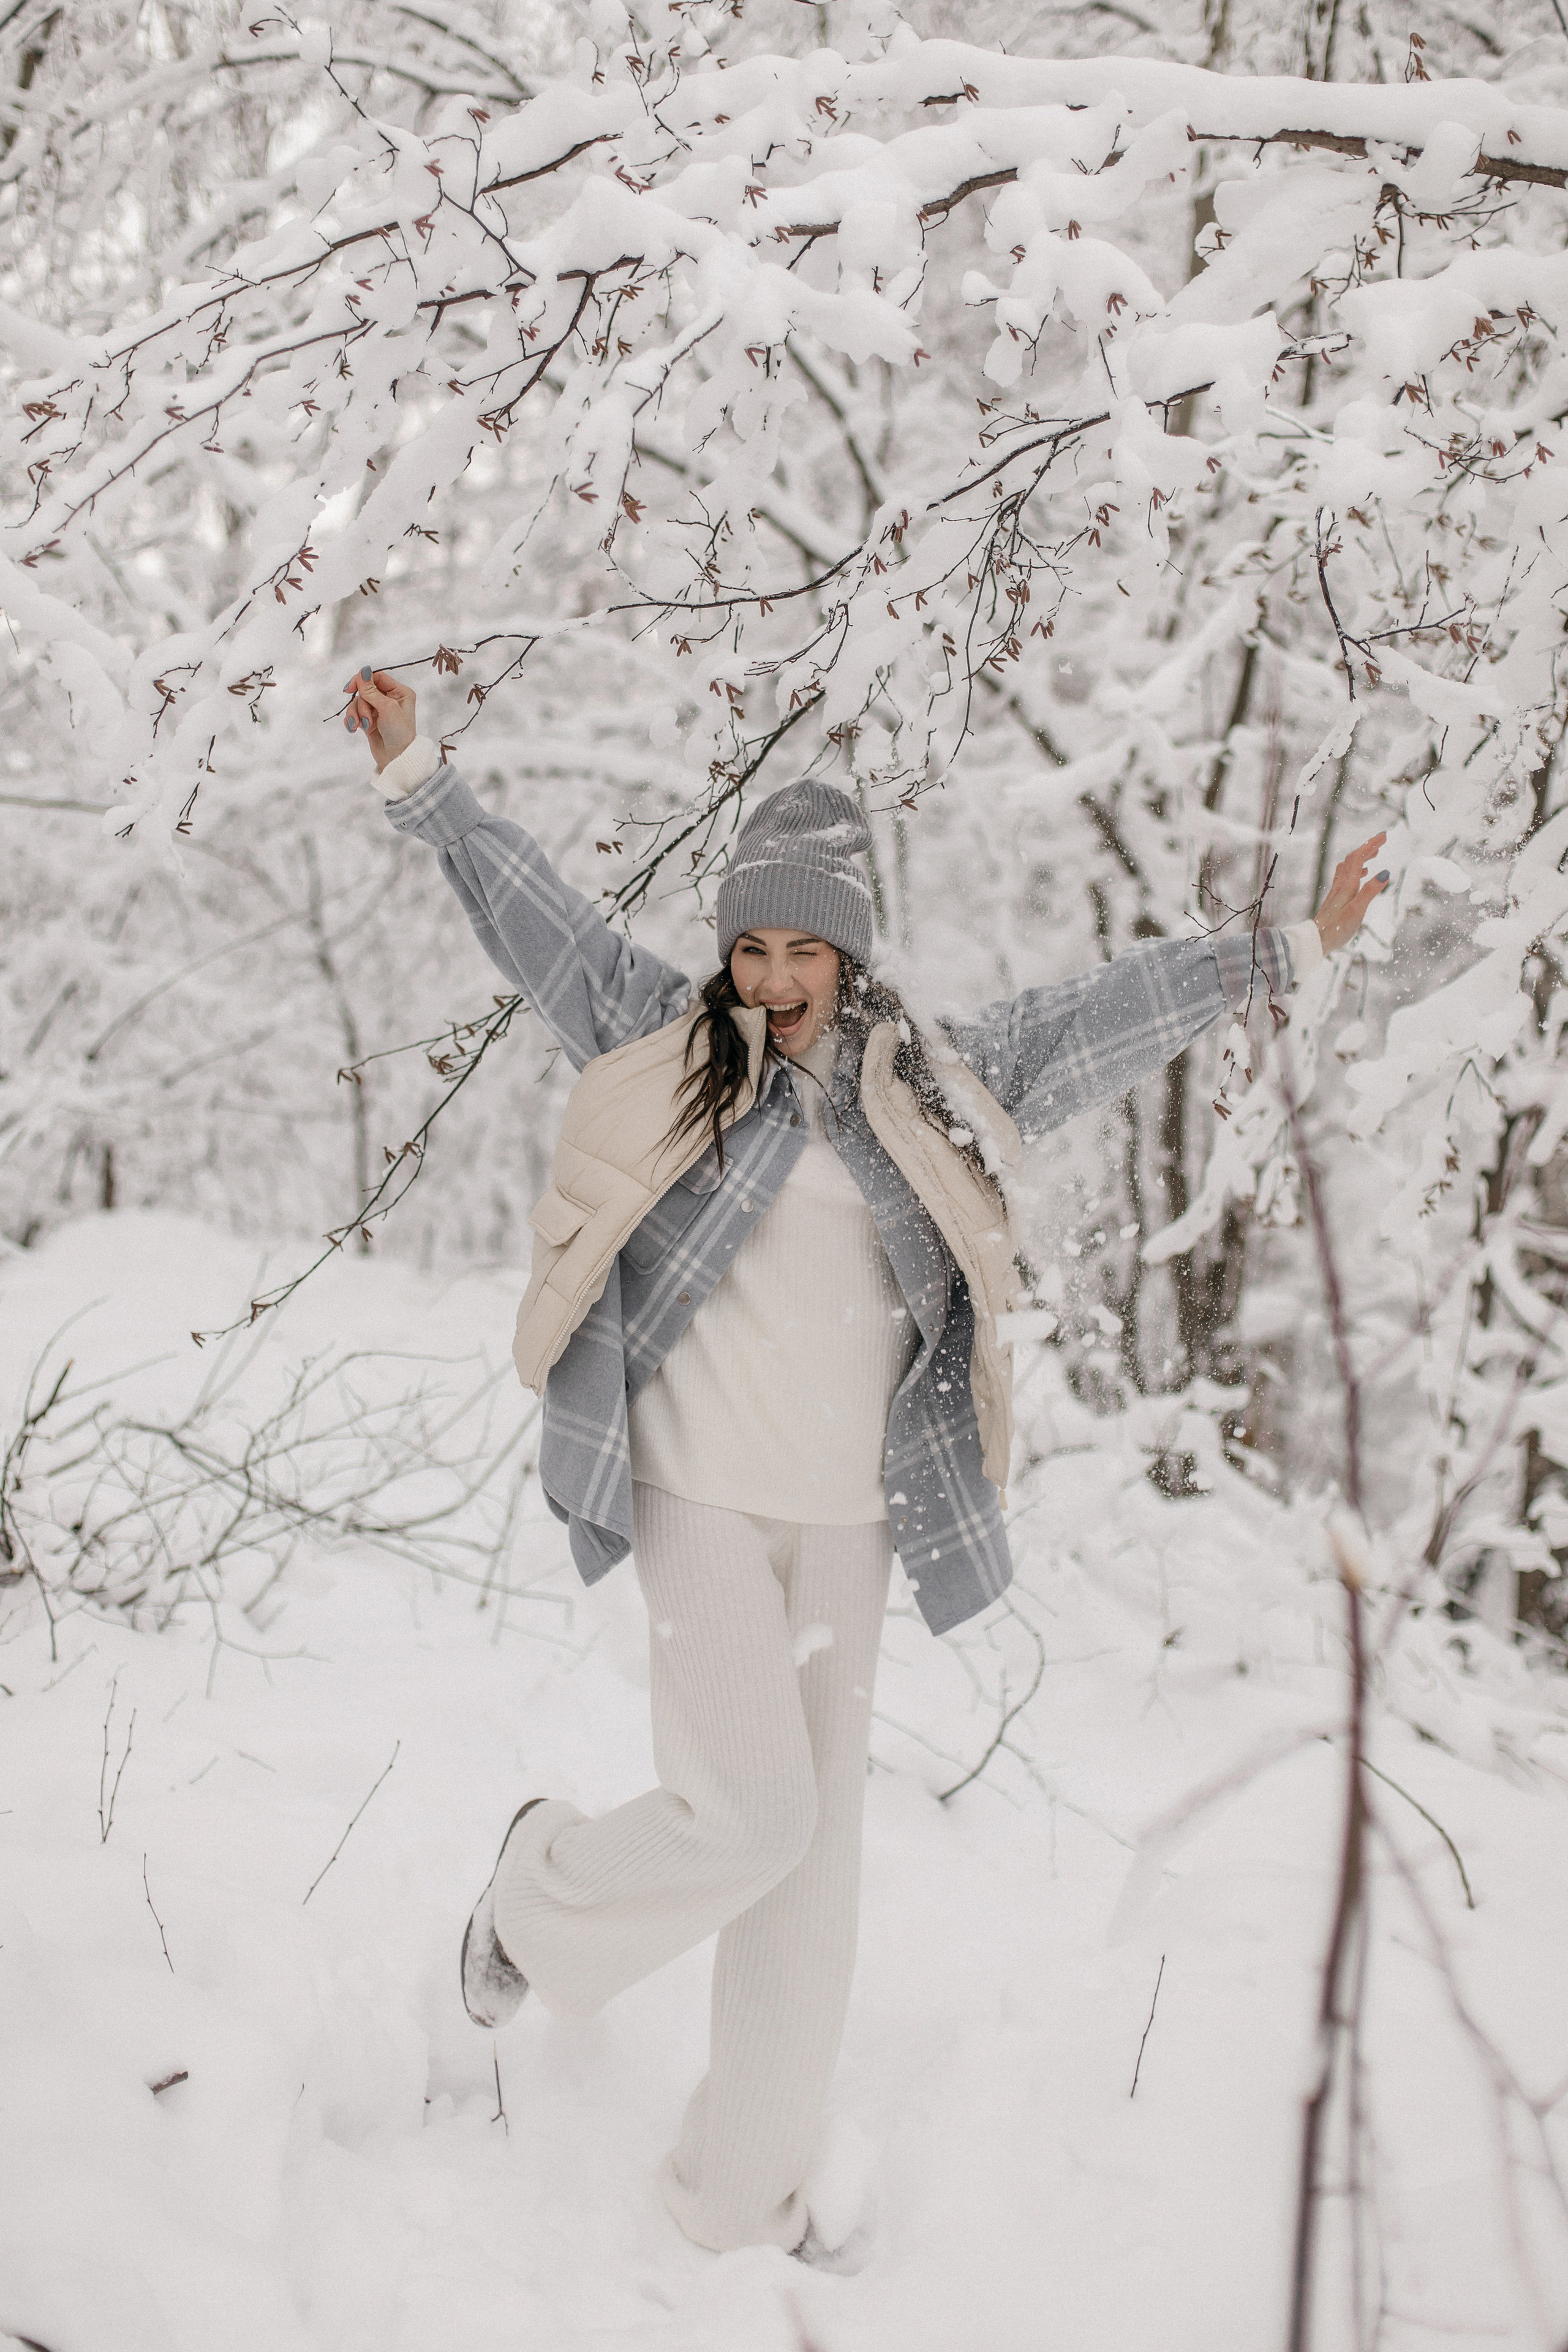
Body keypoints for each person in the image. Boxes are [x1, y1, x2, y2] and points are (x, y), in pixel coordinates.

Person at [342, 662, 1388, 2259]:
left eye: (802, 947)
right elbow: (535, 918)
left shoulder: (948, 1086)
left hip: (851, 1530)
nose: (773, 977)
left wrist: (1295, 947)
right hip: (694, 1491)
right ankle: (532, 1902)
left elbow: (1121, 1010)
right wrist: (429, 787)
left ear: (853, 949)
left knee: (806, 1899)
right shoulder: (670, 1041)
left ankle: (733, 2213)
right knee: (753, 1814)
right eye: (751, 945)